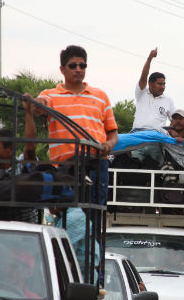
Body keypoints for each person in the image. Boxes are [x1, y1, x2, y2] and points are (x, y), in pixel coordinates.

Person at [28, 45, 118, 205]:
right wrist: (34, 102)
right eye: (73, 65)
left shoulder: (100, 96)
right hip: (64, 168)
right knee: (67, 214)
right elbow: (39, 107)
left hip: (97, 163)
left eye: (82, 65)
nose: (78, 69)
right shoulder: (50, 95)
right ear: (62, 69)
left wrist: (108, 144)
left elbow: (112, 133)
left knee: (95, 215)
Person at [132, 47, 175, 131]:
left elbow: (175, 120)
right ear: (150, 83)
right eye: (160, 84)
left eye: (164, 84)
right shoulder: (142, 93)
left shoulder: (168, 100)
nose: (163, 87)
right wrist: (149, 59)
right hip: (137, 133)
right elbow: (143, 77)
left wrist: (168, 132)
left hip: (157, 137)